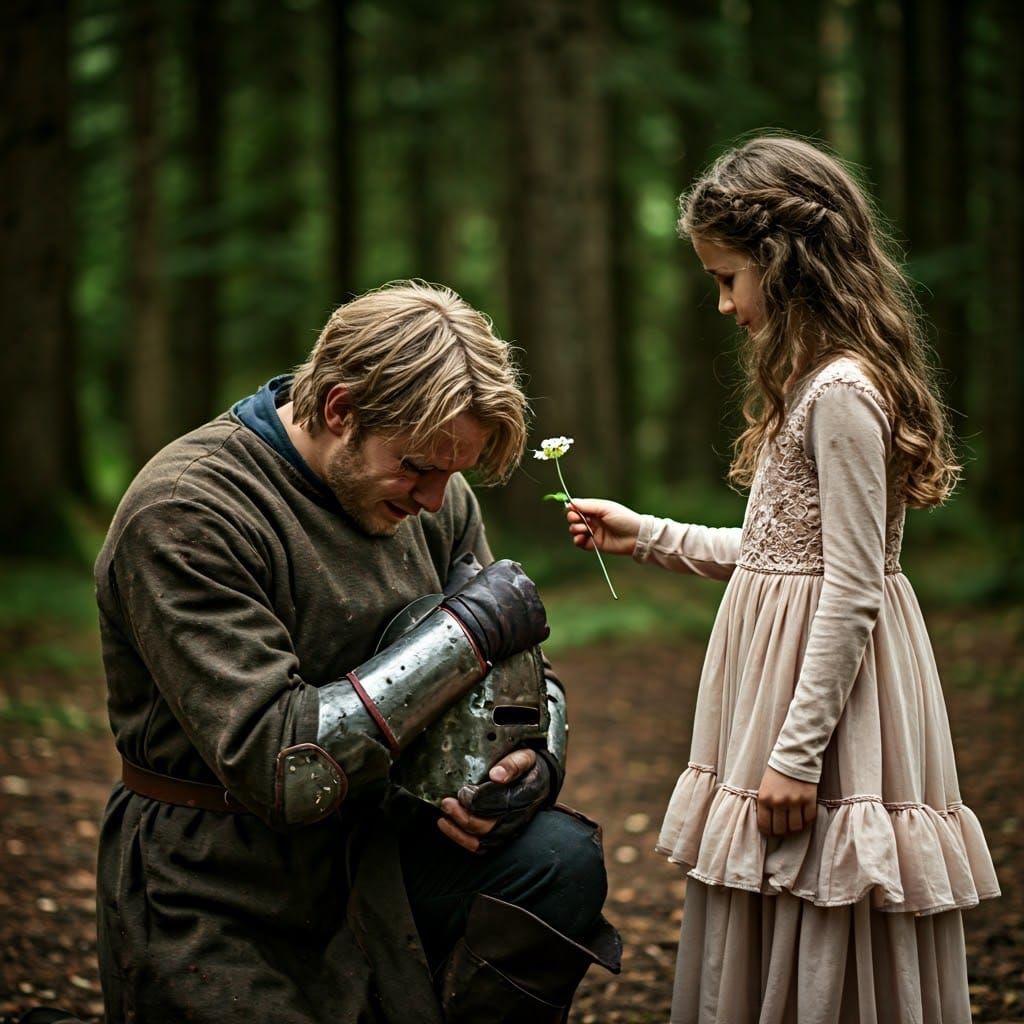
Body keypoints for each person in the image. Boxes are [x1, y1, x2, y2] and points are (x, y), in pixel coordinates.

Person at [92, 280, 619, 1024]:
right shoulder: (188, 509)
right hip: (215, 879)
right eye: (416, 468)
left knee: (556, 862)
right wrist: (465, 633)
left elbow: (517, 675)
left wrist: (533, 761)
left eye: (453, 474)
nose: (435, 501)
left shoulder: (437, 495)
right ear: (339, 409)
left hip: (381, 850)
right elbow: (285, 769)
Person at [566, 137, 999, 1022]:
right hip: (787, 686)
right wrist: (641, 533)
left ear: (786, 264)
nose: (724, 305)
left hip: (830, 710)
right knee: (781, 891)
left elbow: (850, 586)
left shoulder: (842, 392)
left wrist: (796, 757)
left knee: (825, 886)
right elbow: (776, 554)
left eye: (728, 279)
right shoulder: (808, 385)